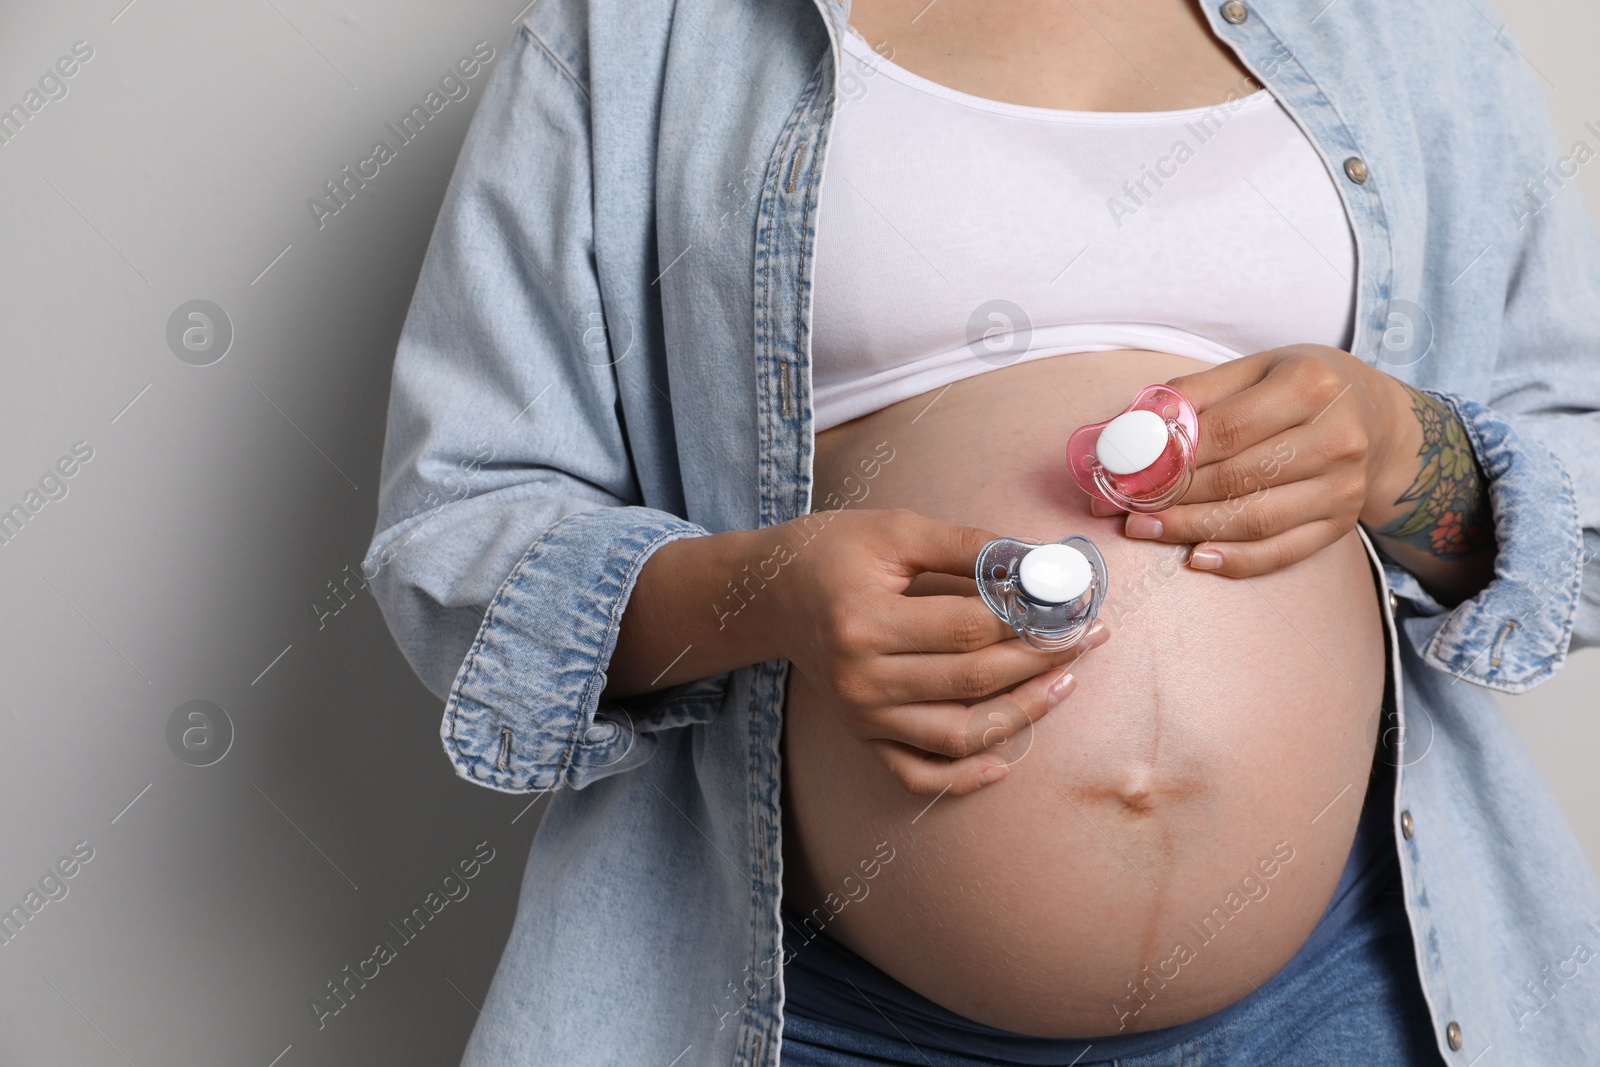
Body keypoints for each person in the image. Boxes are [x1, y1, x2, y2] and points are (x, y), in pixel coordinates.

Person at [364, 1, 1600, 1064]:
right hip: (812, 1008)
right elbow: (459, 534)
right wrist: (766, 592)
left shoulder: (1407, 36)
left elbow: (1583, 532)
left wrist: (1406, 455)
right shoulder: (647, 39)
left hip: (1357, 984)